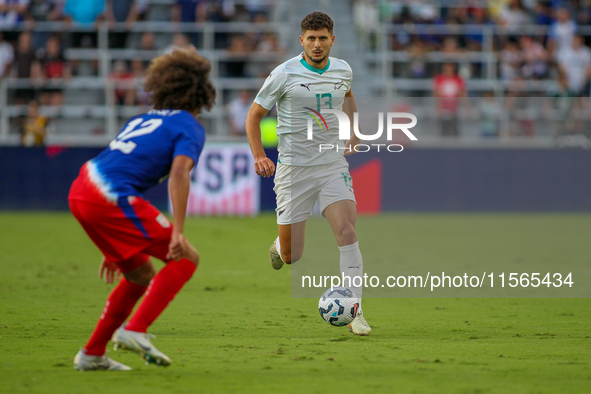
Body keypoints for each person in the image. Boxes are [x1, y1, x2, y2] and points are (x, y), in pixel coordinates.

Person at [68, 47, 216, 371]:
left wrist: (114, 246)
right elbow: (180, 173)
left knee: (140, 273)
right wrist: (177, 230)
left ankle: (92, 354)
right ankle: (135, 330)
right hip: (109, 196)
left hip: (82, 188)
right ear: (201, 90)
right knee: (186, 257)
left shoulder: (142, 119)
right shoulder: (189, 126)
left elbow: (120, 163)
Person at [245, 12, 371, 336]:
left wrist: (353, 132)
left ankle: (356, 310)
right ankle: (278, 245)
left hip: (331, 166)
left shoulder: (343, 70)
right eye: (311, 38)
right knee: (292, 256)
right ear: (301, 40)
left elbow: (349, 97)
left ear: (332, 39)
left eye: (323, 38)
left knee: (347, 231)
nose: (317, 44)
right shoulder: (283, 73)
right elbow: (254, 115)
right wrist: (259, 154)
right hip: (293, 171)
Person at [433, 62, 466, 137]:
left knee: (454, 127)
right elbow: (437, 94)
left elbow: (462, 93)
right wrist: (438, 107)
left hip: (454, 106)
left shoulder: (457, 79)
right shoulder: (439, 79)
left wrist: (466, 107)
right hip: (444, 106)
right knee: (444, 127)